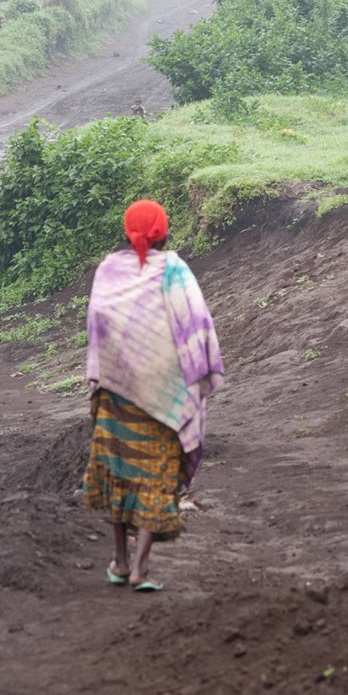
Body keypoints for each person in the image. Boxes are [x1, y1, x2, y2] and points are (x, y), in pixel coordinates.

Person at [83, 200, 224, 592]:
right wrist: (198, 373)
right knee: (156, 477)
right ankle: (142, 569)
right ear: (164, 231)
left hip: (115, 388)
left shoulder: (108, 269)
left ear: (127, 231)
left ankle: (119, 561)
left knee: (119, 474)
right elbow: (195, 321)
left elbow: (98, 323)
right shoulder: (174, 269)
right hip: (165, 395)